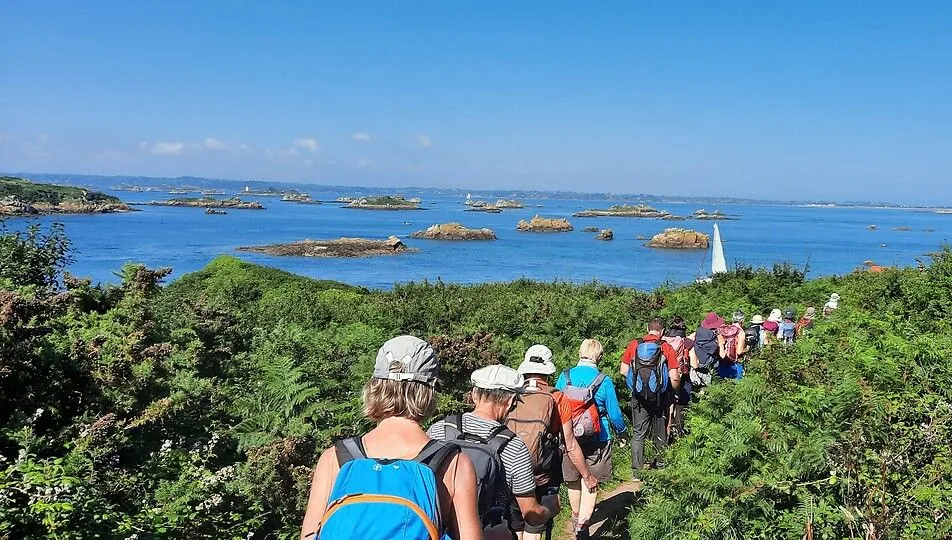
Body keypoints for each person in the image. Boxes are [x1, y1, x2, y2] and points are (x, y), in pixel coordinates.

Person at [300, 335, 489, 540]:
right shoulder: (453, 464)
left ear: (374, 387)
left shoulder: (335, 457)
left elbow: (310, 536)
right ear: (430, 392)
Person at [428, 364, 559, 536]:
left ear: (474, 394)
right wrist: (550, 508)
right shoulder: (514, 447)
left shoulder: (438, 429)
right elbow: (531, 515)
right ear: (511, 401)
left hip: (435, 531)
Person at [508, 345, 597, 540]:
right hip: (544, 472)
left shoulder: (512, 395)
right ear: (547, 371)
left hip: (511, 470)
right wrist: (587, 475)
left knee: (516, 524)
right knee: (537, 523)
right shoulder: (557, 397)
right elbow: (570, 443)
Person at [556, 339, 626, 540]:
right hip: (599, 436)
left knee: (573, 481)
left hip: (569, 437)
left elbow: (555, 405)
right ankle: (583, 526)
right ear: (599, 356)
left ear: (580, 353)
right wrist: (622, 432)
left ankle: (575, 516)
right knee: (591, 482)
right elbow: (614, 414)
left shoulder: (565, 376)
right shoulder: (603, 380)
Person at [620, 318, 681, 480]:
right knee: (660, 431)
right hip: (660, 398)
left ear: (647, 329)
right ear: (662, 332)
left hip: (639, 398)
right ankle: (661, 466)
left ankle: (637, 473)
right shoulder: (665, 347)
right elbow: (674, 377)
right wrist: (674, 392)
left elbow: (623, 370)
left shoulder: (634, 345)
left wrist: (638, 386)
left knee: (638, 433)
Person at [661, 316, 697, 441]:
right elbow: (694, 364)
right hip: (682, 379)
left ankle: (665, 435)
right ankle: (678, 436)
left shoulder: (663, 341)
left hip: (665, 378)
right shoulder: (687, 342)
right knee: (681, 408)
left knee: (667, 408)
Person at [717, 311, 748, 380]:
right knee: (737, 387)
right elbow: (739, 351)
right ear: (742, 320)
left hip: (722, 361)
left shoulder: (725, 329)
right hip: (735, 364)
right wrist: (747, 349)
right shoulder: (741, 332)